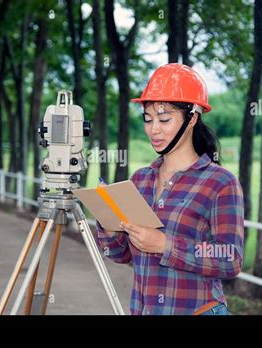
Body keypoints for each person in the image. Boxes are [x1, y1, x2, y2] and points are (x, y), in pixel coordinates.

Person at [95, 63, 244, 315]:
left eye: (164, 119)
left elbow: (231, 258)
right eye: (148, 119)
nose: (154, 129)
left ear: (192, 118)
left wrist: (166, 245)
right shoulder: (140, 180)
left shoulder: (220, 182)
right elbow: (122, 255)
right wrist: (109, 226)